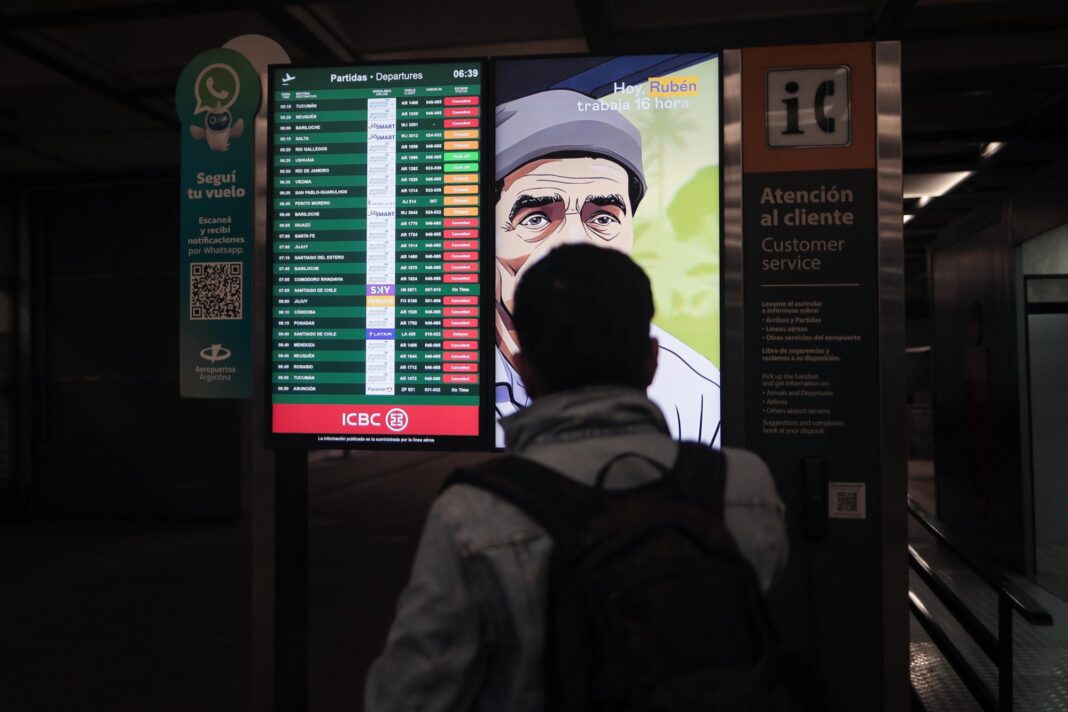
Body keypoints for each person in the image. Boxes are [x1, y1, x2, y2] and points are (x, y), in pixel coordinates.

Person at [365, 243, 787, 712]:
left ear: (523, 370)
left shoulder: (473, 515)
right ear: (652, 360)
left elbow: (411, 697)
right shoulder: (744, 487)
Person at [495, 88, 722, 446]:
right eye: (536, 217)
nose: (572, 242)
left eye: (602, 216)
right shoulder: (437, 374)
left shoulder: (700, 394)